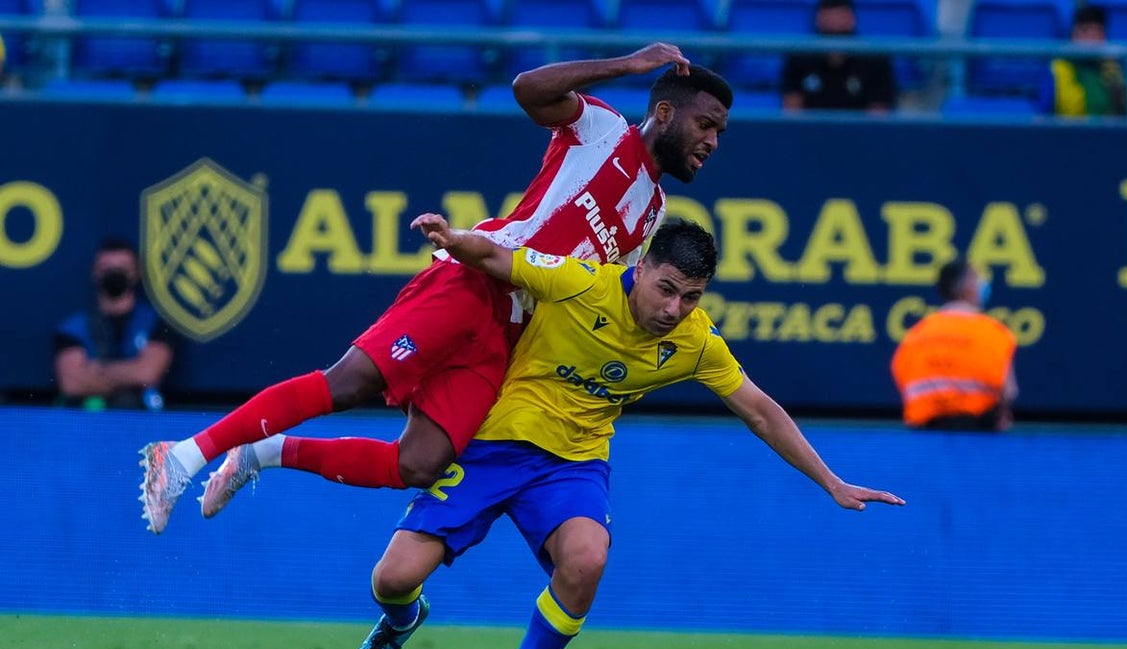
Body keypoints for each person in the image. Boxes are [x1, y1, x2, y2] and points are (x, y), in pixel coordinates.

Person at [347, 214, 905, 649]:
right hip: (492, 445)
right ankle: (402, 620)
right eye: (666, 289)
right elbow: (499, 258)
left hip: (573, 464)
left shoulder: (694, 342)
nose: (673, 310)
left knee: (587, 561)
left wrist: (830, 481)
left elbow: (759, 411)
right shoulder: (581, 282)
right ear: (640, 269)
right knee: (392, 580)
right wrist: (454, 241)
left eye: (690, 297)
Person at [139, 44, 734, 534]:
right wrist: (628, 65)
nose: (711, 141)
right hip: (473, 282)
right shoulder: (603, 130)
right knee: (348, 383)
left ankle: (264, 453)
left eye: (720, 132)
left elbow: (590, 293)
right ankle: (184, 454)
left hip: (512, 331)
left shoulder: (654, 211)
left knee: (422, 462)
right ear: (662, 112)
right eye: (705, 124)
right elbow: (529, 88)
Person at [890, 257, 1018, 431]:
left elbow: (902, 379)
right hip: (980, 437)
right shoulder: (993, 333)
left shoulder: (916, 335)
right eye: (976, 278)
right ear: (966, 287)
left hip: (925, 437)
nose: (982, 283)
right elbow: (1008, 392)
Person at [54, 238, 175, 411]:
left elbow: (147, 374)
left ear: (136, 272)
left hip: (142, 418)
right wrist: (130, 374)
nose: (114, 274)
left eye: (122, 268)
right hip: (85, 420)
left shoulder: (155, 323)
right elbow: (72, 384)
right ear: (95, 272)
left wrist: (94, 370)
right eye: (107, 268)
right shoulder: (72, 327)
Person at [780, 0, 896, 113]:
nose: (835, 24)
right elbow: (792, 113)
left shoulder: (876, 58)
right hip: (811, 131)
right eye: (829, 30)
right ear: (818, 20)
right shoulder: (798, 57)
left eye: (840, 30)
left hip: (859, 131)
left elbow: (879, 117)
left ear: (852, 19)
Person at [1039, 4, 1127, 118]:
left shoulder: (1114, 68)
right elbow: (1042, 115)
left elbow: (1125, 114)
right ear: (1074, 34)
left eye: (1096, 32)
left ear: (1103, 36)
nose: (1090, 39)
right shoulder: (1057, 68)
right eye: (1085, 31)